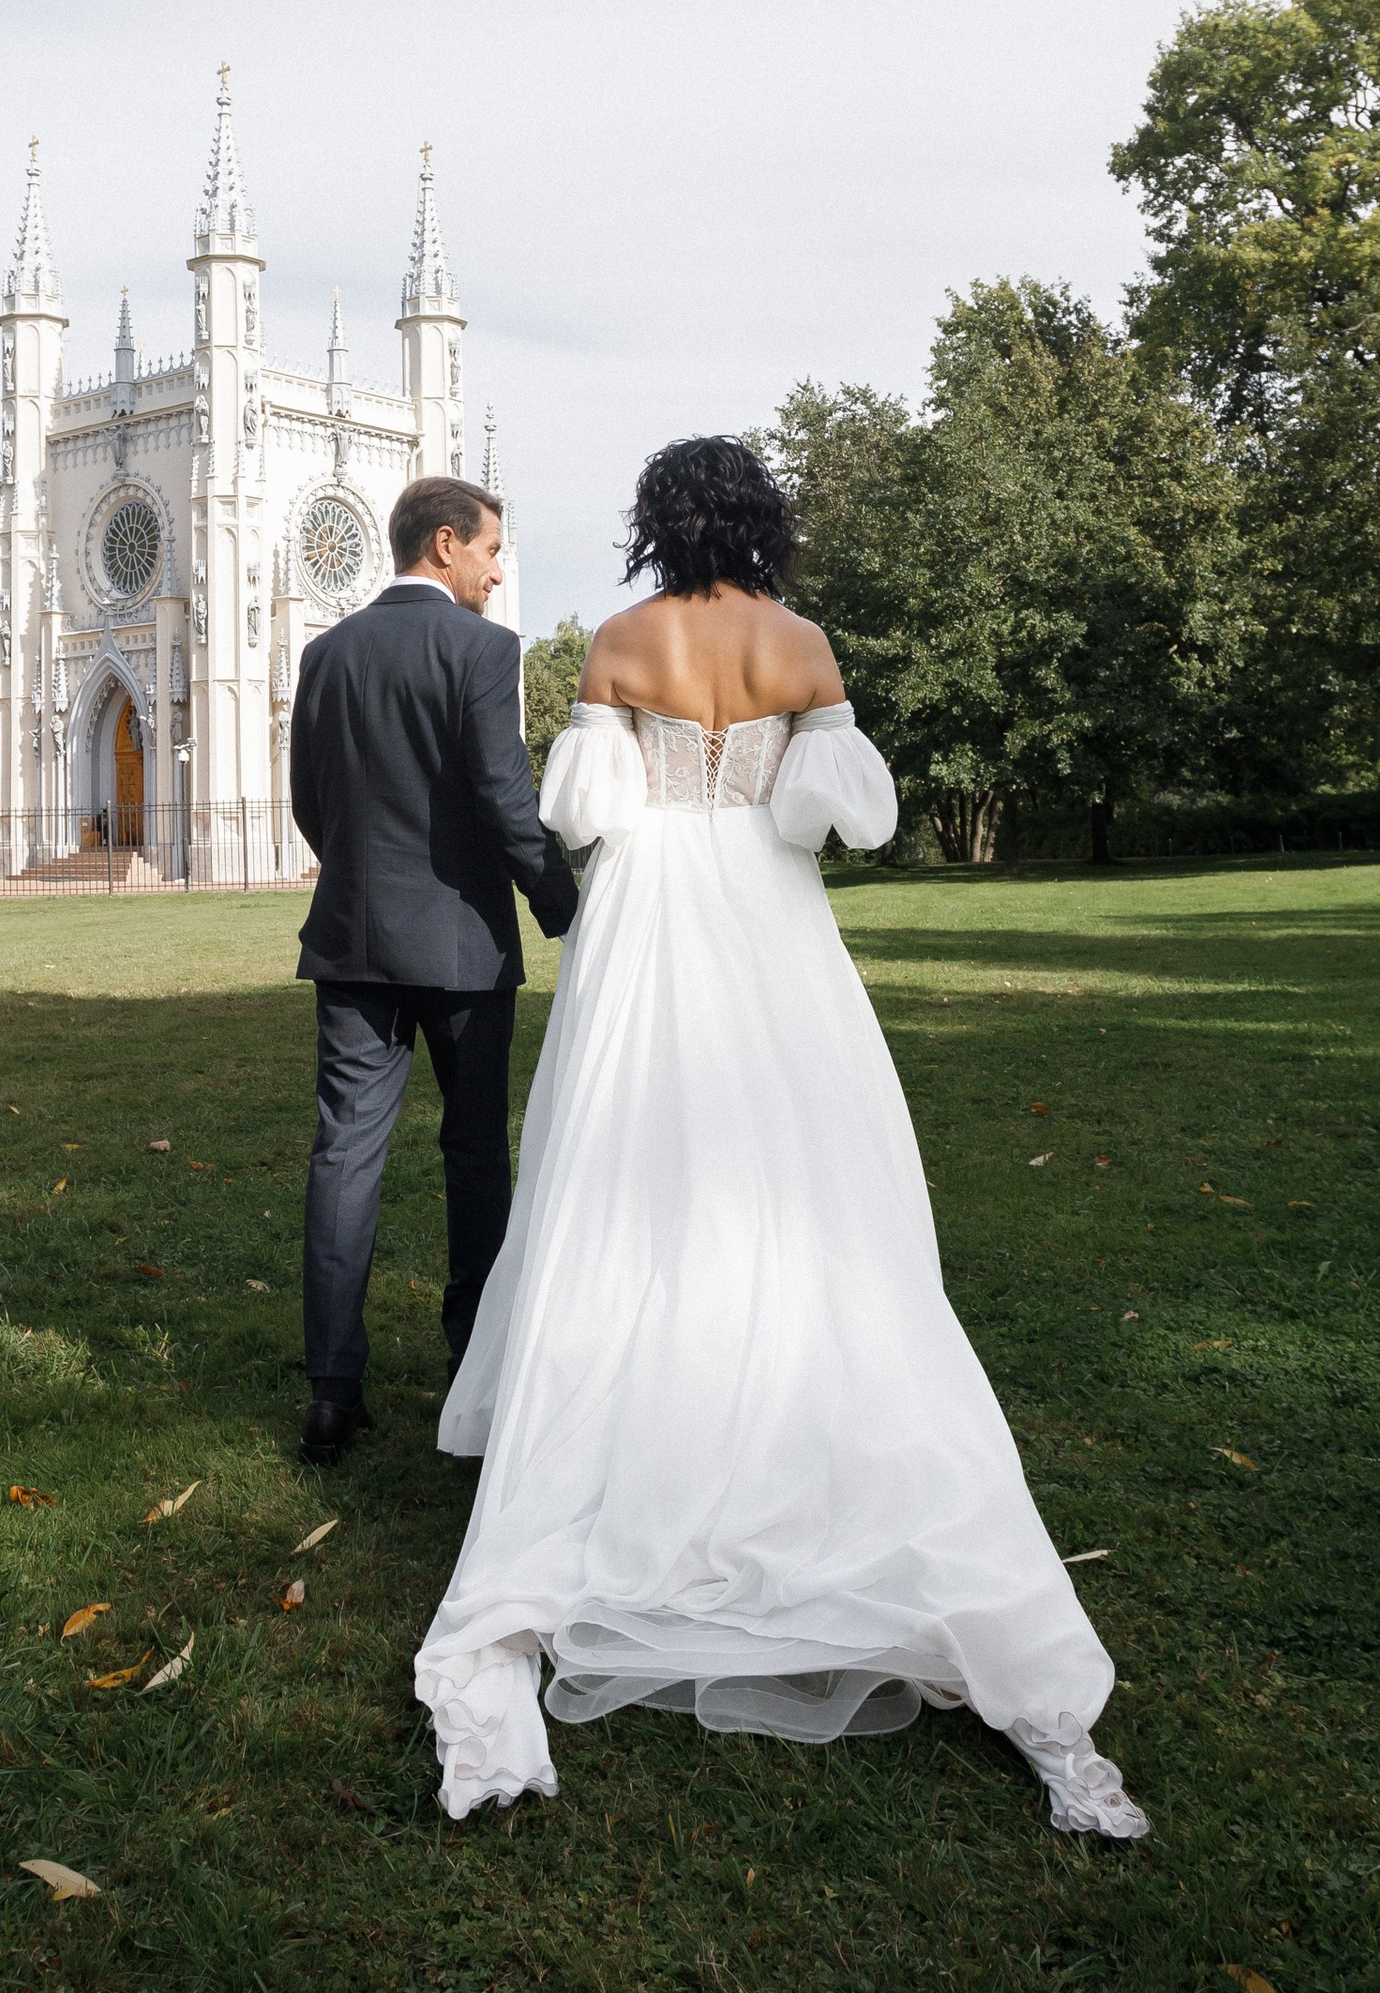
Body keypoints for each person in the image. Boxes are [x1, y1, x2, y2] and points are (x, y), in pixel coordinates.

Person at [414, 434, 1147, 1841]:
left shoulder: (619, 641)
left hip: (647, 925)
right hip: (768, 920)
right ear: (759, 521)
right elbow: (835, 817)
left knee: (621, 1169)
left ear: (657, 523)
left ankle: (630, 1429)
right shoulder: (802, 643)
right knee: (806, 1168)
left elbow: (584, 811)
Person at [288, 473, 580, 1468]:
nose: (497, 573)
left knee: (343, 1156)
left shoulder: (326, 653)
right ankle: (473, 1369)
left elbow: (309, 801)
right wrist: (565, 908)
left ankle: (332, 1393)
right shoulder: (482, 650)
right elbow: (506, 800)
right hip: (460, 945)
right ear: (446, 543)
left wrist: (360, 875)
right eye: (492, 551)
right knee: (474, 1154)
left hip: (352, 940)